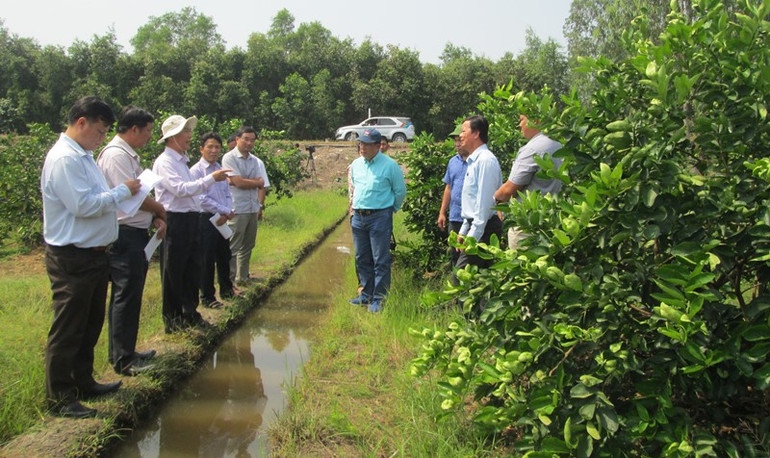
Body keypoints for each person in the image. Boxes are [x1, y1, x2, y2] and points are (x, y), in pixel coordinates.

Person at [41, 96, 141, 418]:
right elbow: (83, 206)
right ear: (81, 122)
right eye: (100, 131)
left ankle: (83, 381)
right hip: (73, 257)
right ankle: (60, 396)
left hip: (94, 256)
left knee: (90, 323)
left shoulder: (83, 157)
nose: (102, 138)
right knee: (69, 327)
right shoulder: (64, 160)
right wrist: (123, 191)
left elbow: (96, 200)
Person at [96, 106, 166, 376]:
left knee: (131, 295)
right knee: (125, 296)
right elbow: (130, 198)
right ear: (134, 129)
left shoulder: (127, 155)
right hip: (124, 236)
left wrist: (152, 218)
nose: (149, 136)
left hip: (134, 233)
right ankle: (122, 359)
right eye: (148, 131)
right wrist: (159, 209)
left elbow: (136, 200)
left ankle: (127, 351)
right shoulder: (115, 156)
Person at [152, 115, 230, 333]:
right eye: (184, 132)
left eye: (188, 132)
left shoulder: (182, 161)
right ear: (172, 137)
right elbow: (181, 189)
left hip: (190, 219)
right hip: (175, 219)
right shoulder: (165, 162)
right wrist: (210, 179)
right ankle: (173, 320)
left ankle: (190, 313)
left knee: (191, 269)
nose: (189, 136)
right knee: (173, 271)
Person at [348, 129, 406, 312]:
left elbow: (400, 192)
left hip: (379, 217)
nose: (362, 147)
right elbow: (354, 188)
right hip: (358, 217)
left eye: (366, 144)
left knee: (380, 259)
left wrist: (390, 210)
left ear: (377, 145)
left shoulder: (390, 165)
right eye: (360, 143)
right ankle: (366, 295)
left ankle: (379, 299)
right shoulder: (356, 165)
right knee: (361, 257)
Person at [493, 115, 563, 249]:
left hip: (527, 226)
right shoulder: (557, 145)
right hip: (551, 220)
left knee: (523, 265)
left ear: (535, 121)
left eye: (521, 119)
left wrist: (496, 199)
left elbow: (509, 189)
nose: (519, 125)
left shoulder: (532, 149)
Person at [190, 132, 236, 308]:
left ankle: (227, 290)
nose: (214, 150)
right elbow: (201, 198)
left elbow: (227, 193)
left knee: (224, 255)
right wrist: (225, 211)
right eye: (210, 146)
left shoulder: (220, 169)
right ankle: (207, 297)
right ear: (202, 149)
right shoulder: (196, 171)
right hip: (206, 218)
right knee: (206, 259)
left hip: (222, 218)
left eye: (217, 147)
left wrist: (228, 211)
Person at [455, 115, 503, 275]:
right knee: (479, 280)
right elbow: (472, 203)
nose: (460, 135)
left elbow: (484, 204)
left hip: (484, 228)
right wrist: (463, 230)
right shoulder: (474, 160)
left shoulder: (485, 161)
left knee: (461, 276)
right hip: (476, 226)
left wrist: (473, 237)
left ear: (476, 133)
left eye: (464, 131)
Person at [221, 126, 268, 286]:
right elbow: (238, 182)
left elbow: (260, 183)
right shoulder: (229, 158)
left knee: (248, 245)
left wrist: (250, 183)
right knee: (233, 247)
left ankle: (242, 278)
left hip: (252, 208)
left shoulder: (254, 160)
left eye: (252, 140)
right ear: (237, 139)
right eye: (246, 139)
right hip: (236, 209)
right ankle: (229, 282)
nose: (249, 143)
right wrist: (254, 182)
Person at [437, 124, 469, 265]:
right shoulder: (453, 162)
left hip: (471, 218)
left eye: (460, 140)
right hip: (455, 217)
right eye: (455, 140)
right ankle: (456, 284)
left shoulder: (478, 161)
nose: (457, 144)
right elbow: (448, 187)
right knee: (455, 255)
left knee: (469, 254)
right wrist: (442, 212)